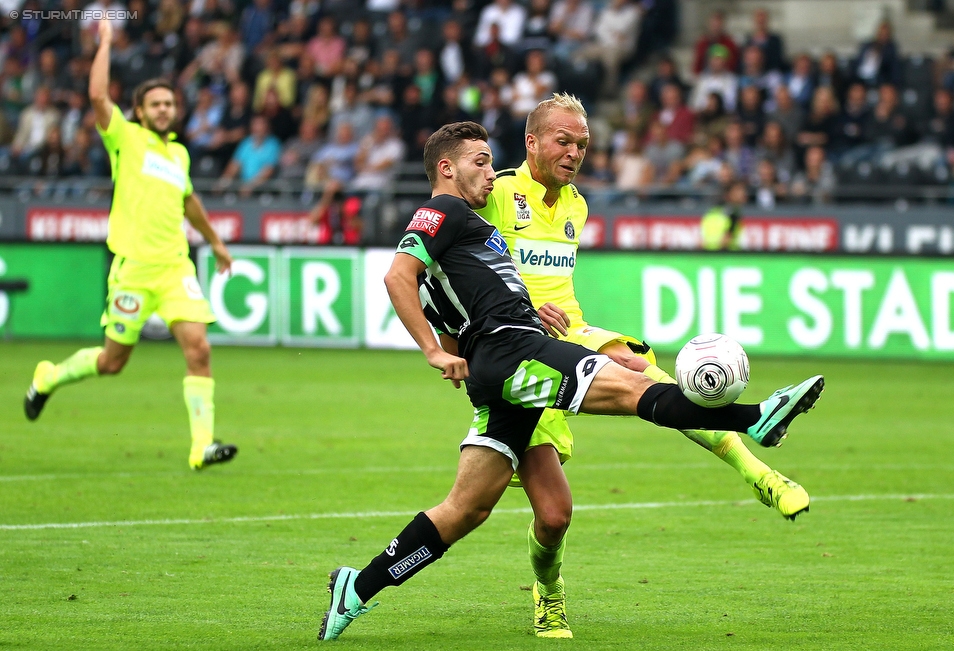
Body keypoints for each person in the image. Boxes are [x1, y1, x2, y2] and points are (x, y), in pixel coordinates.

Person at [318, 120, 825, 640]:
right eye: (481, 162)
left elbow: (449, 320)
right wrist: (431, 351)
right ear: (446, 169)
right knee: (634, 389)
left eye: (491, 162)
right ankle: (758, 418)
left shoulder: (466, 233)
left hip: (500, 367)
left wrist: (457, 353)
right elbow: (395, 274)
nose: (492, 173)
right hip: (515, 351)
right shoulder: (444, 209)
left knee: (468, 509)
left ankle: (357, 588)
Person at [476, 94, 811, 638]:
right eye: (563, 140)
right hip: (517, 353)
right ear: (532, 142)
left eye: (582, 143)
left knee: (639, 368)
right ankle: (550, 590)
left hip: (574, 334)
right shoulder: (496, 193)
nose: (574, 151)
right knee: (554, 517)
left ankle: (759, 473)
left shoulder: (577, 206)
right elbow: (457, 260)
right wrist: (514, 309)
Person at [23, 19, 237, 471]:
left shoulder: (178, 154)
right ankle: (50, 376)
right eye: (155, 104)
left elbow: (189, 201)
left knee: (198, 349)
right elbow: (99, 97)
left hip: (175, 267)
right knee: (112, 361)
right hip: (133, 269)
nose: (164, 109)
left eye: (169, 103)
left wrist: (216, 243)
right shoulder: (126, 139)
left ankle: (201, 446)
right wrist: (103, 40)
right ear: (139, 111)